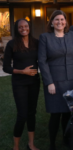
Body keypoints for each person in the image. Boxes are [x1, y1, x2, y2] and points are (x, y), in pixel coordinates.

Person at [38, 10, 73, 150]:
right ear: (51, 22)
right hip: (54, 83)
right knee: (55, 114)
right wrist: (49, 82)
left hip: (71, 81)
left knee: (67, 113)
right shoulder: (45, 37)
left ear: (66, 22)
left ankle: (65, 139)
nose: (60, 22)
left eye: (62, 19)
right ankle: (52, 143)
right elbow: (42, 61)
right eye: (56, 19)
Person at [3, 19, 40, 150]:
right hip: (19, 83)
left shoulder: (36, 42)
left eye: (26, 26)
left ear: (29, 27)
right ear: (16, 29)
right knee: (22, 114)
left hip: (34, 82)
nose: (23, 29)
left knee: (31, 113)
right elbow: (6, 67)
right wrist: (22, 71)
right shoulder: (12, 44)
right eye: (20, 27)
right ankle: (16, 147)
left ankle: (31, 144)